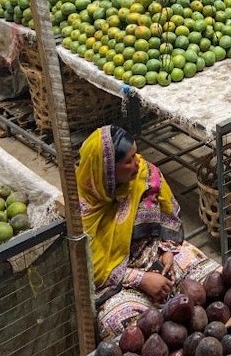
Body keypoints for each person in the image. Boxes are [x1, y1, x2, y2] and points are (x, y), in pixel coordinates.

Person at [78, 125, 217, 340]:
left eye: (136, 154)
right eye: (128, 160)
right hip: (119, 282)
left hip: (157, 254)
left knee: (214, 280)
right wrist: (140, 279)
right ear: (107, 170)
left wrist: (167, 250)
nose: (137, 163)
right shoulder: (84, 208)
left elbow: (167, 216)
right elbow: (91, 269)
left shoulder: (146, 176)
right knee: (124, 327)